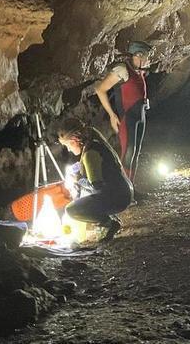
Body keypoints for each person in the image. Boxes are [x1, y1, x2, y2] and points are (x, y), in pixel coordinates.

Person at [57, 118, 134, 242]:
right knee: (83, 196)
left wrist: (78, 180)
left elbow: (97, 186)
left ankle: (109, 223)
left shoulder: (90, 154)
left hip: (118, 197)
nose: (69, 150)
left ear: (74, 140)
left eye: (67, 146)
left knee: (71, 209)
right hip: (123, 191)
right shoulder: (96, 144)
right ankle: (109, 217)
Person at [95, 40, 152, 182]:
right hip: (127, 118)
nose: (147, 60)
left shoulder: (139, 72)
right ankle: (124, 191)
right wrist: (111, 115)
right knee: (127, 154)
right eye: (145, 56)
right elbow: (100, 89)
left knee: (135, 153)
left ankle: (131, 187)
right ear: (137, 55)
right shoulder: (122, 69)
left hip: (140, 115)